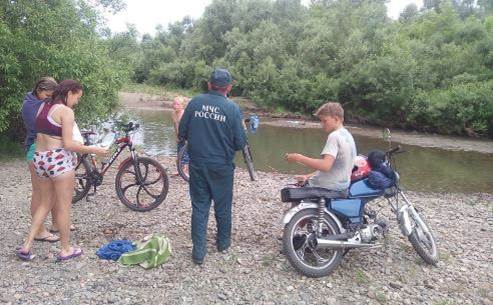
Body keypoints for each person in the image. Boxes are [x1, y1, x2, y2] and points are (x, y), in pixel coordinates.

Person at [17, 79, 108, 261]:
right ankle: (66, 249)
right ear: (69, 93)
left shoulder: (43, 106)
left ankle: (26, 246)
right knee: (64, 207)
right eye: (77, 97)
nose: (77, 101)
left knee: (45, 203)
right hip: (57, 161)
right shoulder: (66, 112)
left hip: (39, 158)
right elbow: (68, 144)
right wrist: (95, 150)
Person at [178, 68, 246, 265]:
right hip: (222, 166)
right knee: (223, 207)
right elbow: (240, 143)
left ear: (209, 84)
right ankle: (223, 244)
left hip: (198, 164)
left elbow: (182, 133)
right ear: (229, 87)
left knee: (200, 206)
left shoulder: (195, 102)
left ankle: (199, 252)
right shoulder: (232, 108)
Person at [285, 102, 356, 197]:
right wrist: (307, 176)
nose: (322, 124)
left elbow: (325, 166)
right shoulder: (348, 135)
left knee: (290, 193)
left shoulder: (334, 136)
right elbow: (333, 167)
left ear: (336, 119)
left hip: (329, 187)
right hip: (342, 188)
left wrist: (298, 157)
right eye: (321, 121)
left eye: (325, 121)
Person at [21, 77, 60, 242]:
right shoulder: (31, 106)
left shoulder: (36, 100)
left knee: (54, 189)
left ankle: (57, 223)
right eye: (47, 95)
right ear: (39, 90)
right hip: (35, 149)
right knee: (39, 192)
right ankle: (39, 231)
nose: (49, 98)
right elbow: (44, 127)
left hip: (45, 150)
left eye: (52, 96)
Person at [171, 96, 189, 175]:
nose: (175, 106)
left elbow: (189, 127)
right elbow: (175, 125)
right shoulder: (174, 114)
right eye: (174, 104)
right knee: (179, 153)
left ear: (182, 105)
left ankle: (185, 170)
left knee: (186, 154)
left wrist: (187, 139)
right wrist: (176, 136)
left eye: (177, 104)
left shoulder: (184, 114)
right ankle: (180, 169)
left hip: (186, 136)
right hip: (180, 136)